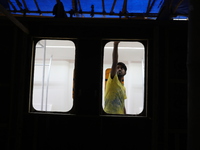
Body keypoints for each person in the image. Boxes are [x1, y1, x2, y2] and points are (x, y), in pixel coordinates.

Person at [104, 41, 127, 114]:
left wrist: (125, 115)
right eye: (117, 68)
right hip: (109, 113)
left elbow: (122, 104)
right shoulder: (113, 79)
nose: (119, 69)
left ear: (125, 72)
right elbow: (114, 62)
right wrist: (115, 44)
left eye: (122, 68)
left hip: (120, 115)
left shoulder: (123, 88)